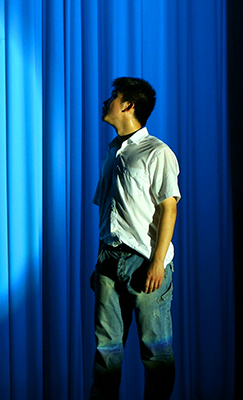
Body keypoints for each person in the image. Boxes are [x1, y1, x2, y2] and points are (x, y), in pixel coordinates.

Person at [90, 77, 179, 399]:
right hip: (109, 259)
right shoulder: (113, 152)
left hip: (143, 262)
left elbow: (169, 208)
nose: (107, 102)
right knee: (106, 350)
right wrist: (100, 263)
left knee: (155, 351)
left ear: (128, 105)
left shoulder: (157, 151)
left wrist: (157, 262)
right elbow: (109, 214)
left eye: (114, 96)